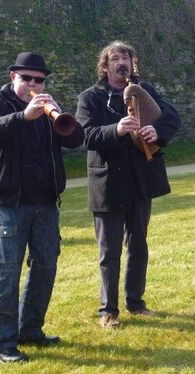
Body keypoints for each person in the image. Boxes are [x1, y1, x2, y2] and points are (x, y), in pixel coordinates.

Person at [0, 52, 85, 363]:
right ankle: (4, 344)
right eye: (27, 78)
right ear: (14, 77)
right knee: (7, 273)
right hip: (10, 203)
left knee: (45, 267)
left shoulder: (46, 107)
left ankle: (30, 329)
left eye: (39, 80)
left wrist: (58, 115)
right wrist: (24, 115)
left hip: (46, 202)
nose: (34, 84)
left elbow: (75, 138)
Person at [75, 41, 180, 328]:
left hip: (139, 181)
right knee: (109, 250)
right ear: (105, 65)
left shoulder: (146, 91)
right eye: (116, 58)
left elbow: (171, 117)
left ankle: (135, 302)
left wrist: (155, 131)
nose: (122, 62)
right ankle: (108, 311)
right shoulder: (90, 98)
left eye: (127, 57)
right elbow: (85, 135)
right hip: (108, 183)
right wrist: (117, 129)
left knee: (138, 244)